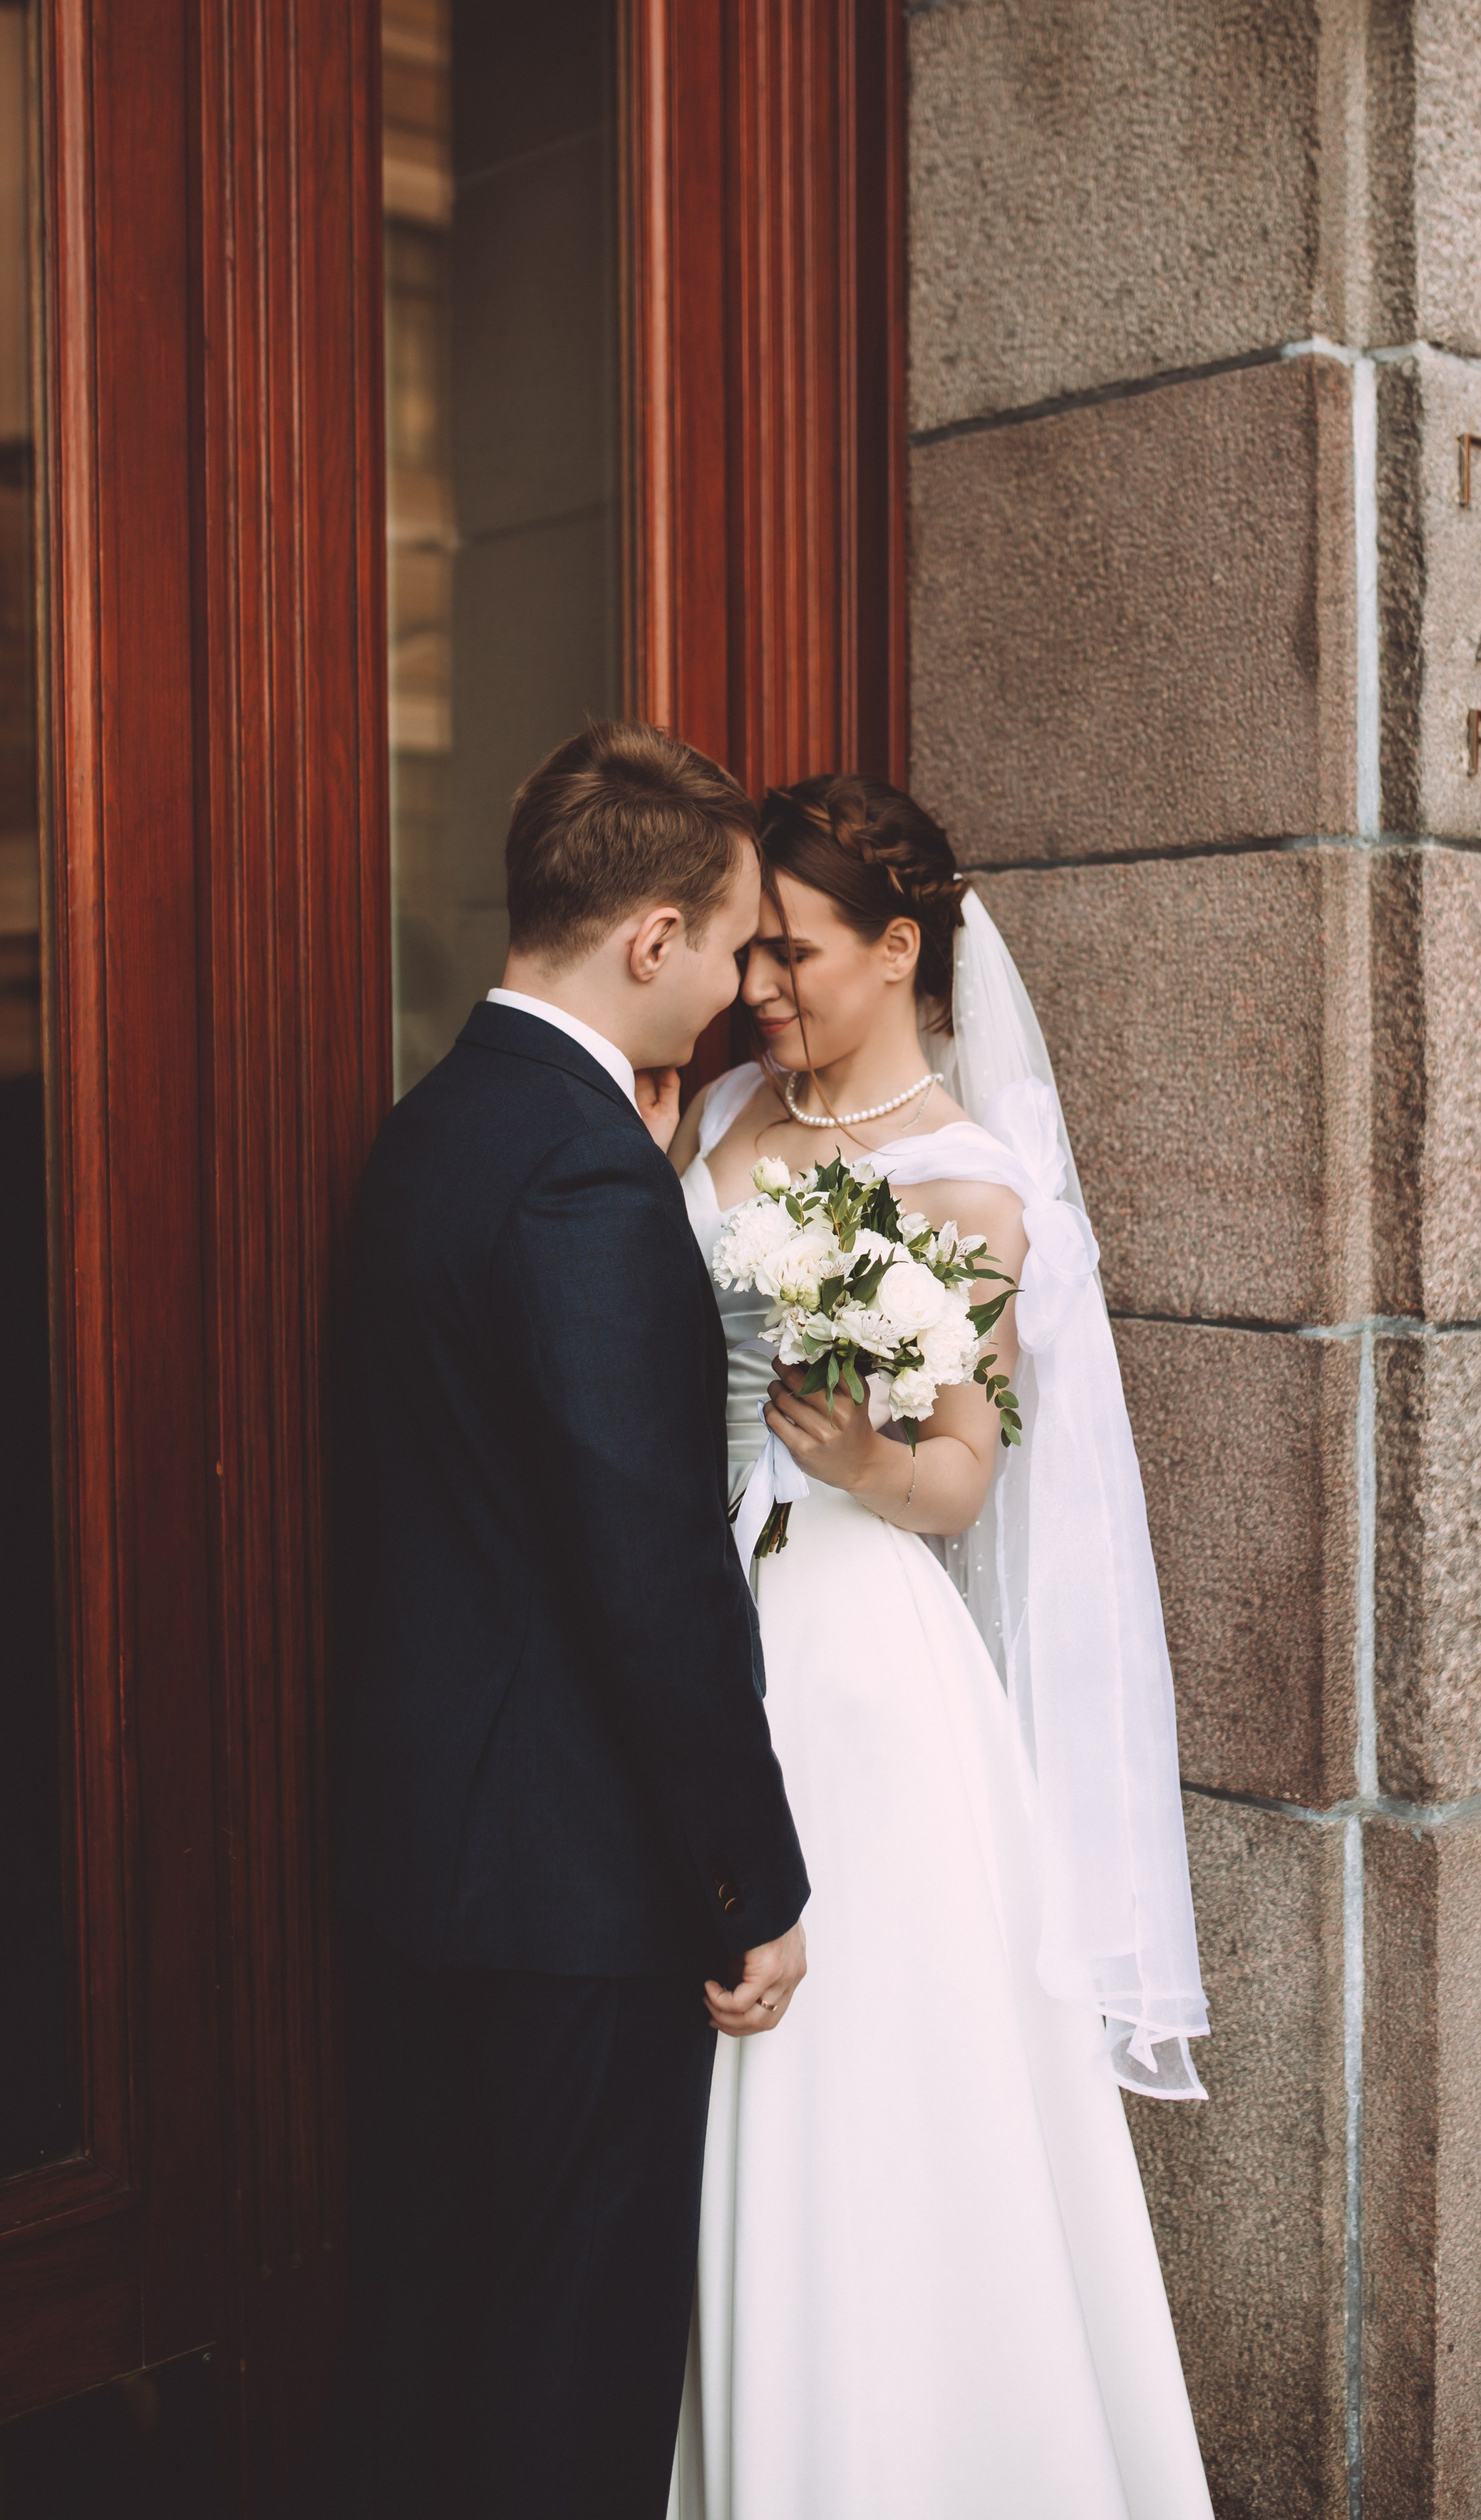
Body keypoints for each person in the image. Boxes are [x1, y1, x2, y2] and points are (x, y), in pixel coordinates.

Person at [666, 773, 1214, 2520]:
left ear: (898, 948)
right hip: (693, 1619)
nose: (760, 980)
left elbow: (965, 1482)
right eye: (746, 946)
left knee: (870, 2070)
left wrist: (866, 1459)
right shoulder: (725, 1110)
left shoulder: (969, 1188)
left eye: (792, 948)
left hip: (857, 1664)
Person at [331, 721, 810, 2520]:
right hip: (566, 1891)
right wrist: (748, 1885)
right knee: (571, 2364)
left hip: (427, 1856)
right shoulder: (585, 1177)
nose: (739, 986)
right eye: (731, 943)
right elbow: (645, 1567)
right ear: (649, 942)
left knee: (438, 2328)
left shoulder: (438, 1124)